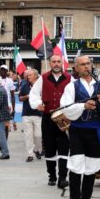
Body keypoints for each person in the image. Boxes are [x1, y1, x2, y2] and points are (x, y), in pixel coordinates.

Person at [61, 56, 100, 199]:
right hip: (78, 130)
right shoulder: (71, 87)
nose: (86, 66)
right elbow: (66, 109)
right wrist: (82, 106)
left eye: (88, 63)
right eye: (82, 64)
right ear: (76, 68)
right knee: (75, 165)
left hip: (96, 130)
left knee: (91, 167)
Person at [30, 55, 72, 188]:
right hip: (48, 118)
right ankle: (52, 175)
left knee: (64, 147)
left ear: (62, 63)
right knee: (49, 147)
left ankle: (63, 177)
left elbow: (75, 95)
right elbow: (34, 94)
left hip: (64, 118)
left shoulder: (70, 78)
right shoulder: (43, 78)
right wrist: (38, 104)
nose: (56, 64)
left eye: (58, 61)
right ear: (50, 63)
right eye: (53, 62)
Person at [19, 69, 42, 162]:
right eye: (28, 75)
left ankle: (36, 150)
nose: (28, 77)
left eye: (30, 75)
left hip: (38, 114)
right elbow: (20, 98)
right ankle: (30, 154)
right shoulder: (25, 85)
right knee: (28, 135)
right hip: (26, 114)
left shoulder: (41, 86)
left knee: (38, 135)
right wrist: (27, 96)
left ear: (36, 76)